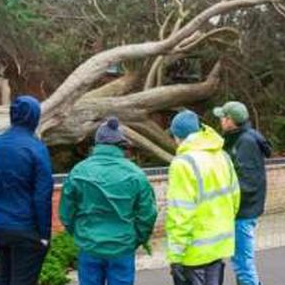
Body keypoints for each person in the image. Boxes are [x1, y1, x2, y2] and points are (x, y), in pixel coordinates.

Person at [59, 117, 158, 285]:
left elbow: (66, 213)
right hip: (122, 246)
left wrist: (81, 235)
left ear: (97, 144)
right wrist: (136, 239)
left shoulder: (78, 171)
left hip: (89, 245)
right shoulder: (136, 175)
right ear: (120, 145)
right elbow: (147, 215)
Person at [0, 95, 54, 285]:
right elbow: (42, 196)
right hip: (26, 228)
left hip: (0, 225)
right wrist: (44, 234)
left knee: (4, 278)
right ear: (34, 117)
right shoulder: (37, 149)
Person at [166, 110, 240, 285]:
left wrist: (175, 255)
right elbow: (235, 198)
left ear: (179, 137)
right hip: (219, 244)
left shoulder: (182, 164)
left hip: (193, 252)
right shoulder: (223, 156)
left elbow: (180, 214)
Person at [213, 101, 272, 285]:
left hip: (243, 212)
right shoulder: (239, 138)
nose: (220, 121)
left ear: (230, 121)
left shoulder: (245, 142)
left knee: (242, 264)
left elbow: (247, 183)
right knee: (241, 262)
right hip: (244, 210)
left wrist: (227, 202)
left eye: (223, 117)